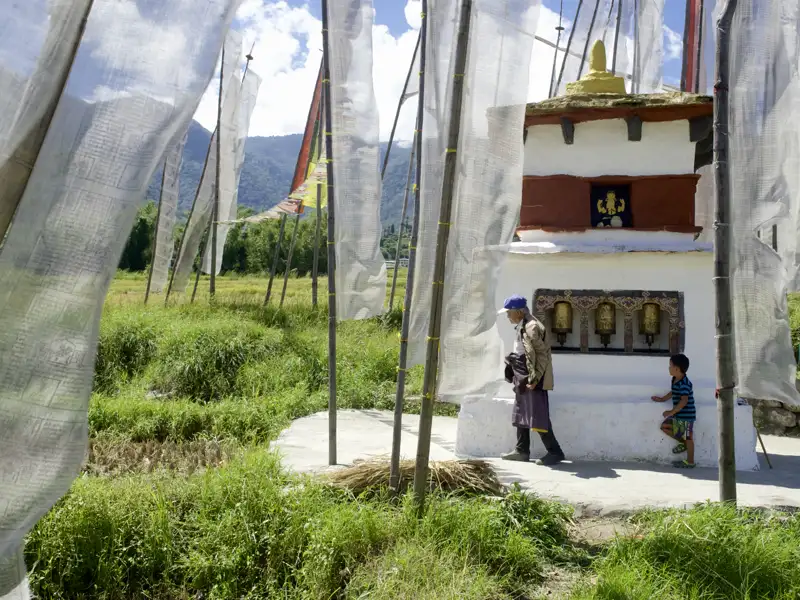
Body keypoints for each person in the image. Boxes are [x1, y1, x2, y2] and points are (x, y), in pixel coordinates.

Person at [498, 294, 565, 466]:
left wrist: (535, 379)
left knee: (537, 414)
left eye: (509, 313)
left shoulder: (531, 327)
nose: (508, 316)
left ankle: (555, 452)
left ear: (519, 312)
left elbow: (542, 355)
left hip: (532, 377)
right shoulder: (523, 324)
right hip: (522, 375)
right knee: (521, 411)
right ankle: (521, 450)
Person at [651, 353, 696, 469]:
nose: (669, 368)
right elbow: (673, 392)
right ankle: (683, 443)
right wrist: (662, 399)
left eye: (670, 365)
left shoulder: (685, 384)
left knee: (689, 437)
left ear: (677, 369)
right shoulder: (675, 379)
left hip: (687, 415)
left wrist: (671, 412)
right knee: (664, 427)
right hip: (678, 414)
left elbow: (684, 401)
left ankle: (690, 462)